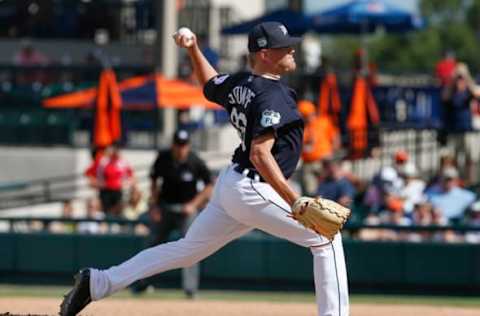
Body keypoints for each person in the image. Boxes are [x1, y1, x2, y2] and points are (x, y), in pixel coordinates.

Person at [59, 22, 349, 316]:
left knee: (187, 251)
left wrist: (193, 49)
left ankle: (99, 282)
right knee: (326, 237)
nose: (291, 49)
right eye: (284, 46)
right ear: (265, 54)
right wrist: (295, 200)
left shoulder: (241, 84)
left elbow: (210, 84)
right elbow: (260, 154)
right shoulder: (271, 95)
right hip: (254, 185)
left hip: (233, 184)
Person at [131, 129, 213, 298]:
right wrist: (153, 206)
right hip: (165, 207)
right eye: (178, 145)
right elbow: (154, 181)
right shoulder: (164, 158)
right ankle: (142, 283)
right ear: (173, 145)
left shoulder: (194, 161)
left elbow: (209, 185)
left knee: (192, 248)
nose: (180, 148)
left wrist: (193, 204)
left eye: (183, 145)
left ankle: (190, 289)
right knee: (152, 244)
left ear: (188, 146)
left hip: (186, 210)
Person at [298, 99, 340, 196]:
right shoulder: (301, 127)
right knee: (311, 192)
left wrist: (332, 154)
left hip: (324, 162)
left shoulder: (323, 122)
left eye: (309, 114)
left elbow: (335, 137)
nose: (308, 117)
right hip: (308, 164)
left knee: (329, 189)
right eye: (305, 116)